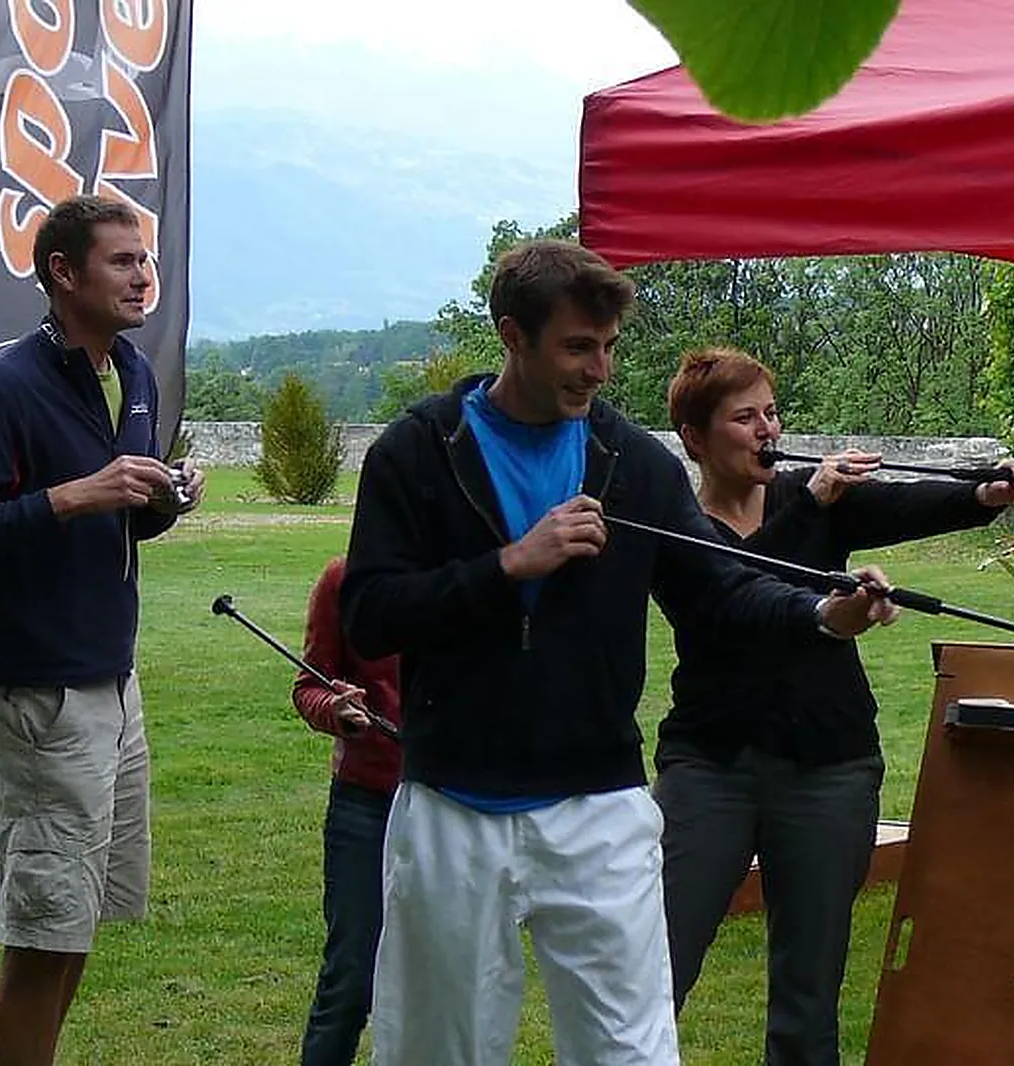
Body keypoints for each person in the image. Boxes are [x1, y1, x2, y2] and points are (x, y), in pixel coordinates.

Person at [340, 239, 895, 1066]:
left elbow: (717, 592)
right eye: (575, 347)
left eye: (607, 348)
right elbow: (370, 616)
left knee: (630, 1051)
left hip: (598, 799)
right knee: (439, 1049)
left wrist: (822, 611)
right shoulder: (419, 451)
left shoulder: (631, 462)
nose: (598, 370)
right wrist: (507, 567)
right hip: (454, 800)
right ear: (512, 336)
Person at [654, 347, 1014, 1066]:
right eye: (744, 417)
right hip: (712, 765)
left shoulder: (805, 496)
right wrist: (813, 517)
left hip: (829, 765)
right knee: (656, 965)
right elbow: (739, 596)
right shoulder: (679, 531)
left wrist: (983, 494)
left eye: (771, 412)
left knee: (810, 986)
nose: (767, 428)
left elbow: (907, 503)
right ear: (695, 439)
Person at [0, 194, 204, 1066]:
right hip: (41, 694)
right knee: (43, 932)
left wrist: (160, 502)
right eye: (121, 262)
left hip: (115, 685)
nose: (144, 276)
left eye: (146, 260)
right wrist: (82, 491)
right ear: (62, 274)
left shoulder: (136, 374)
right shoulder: (7, 385)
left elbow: (119, 523)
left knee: (77, 926)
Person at [292, 556, 401, 1066]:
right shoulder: (343, 578)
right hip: (367, 802)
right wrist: (333, 709)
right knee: (350, 978)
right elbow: (309, 685)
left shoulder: (475, 573)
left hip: (455, 805)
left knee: (450, 981)